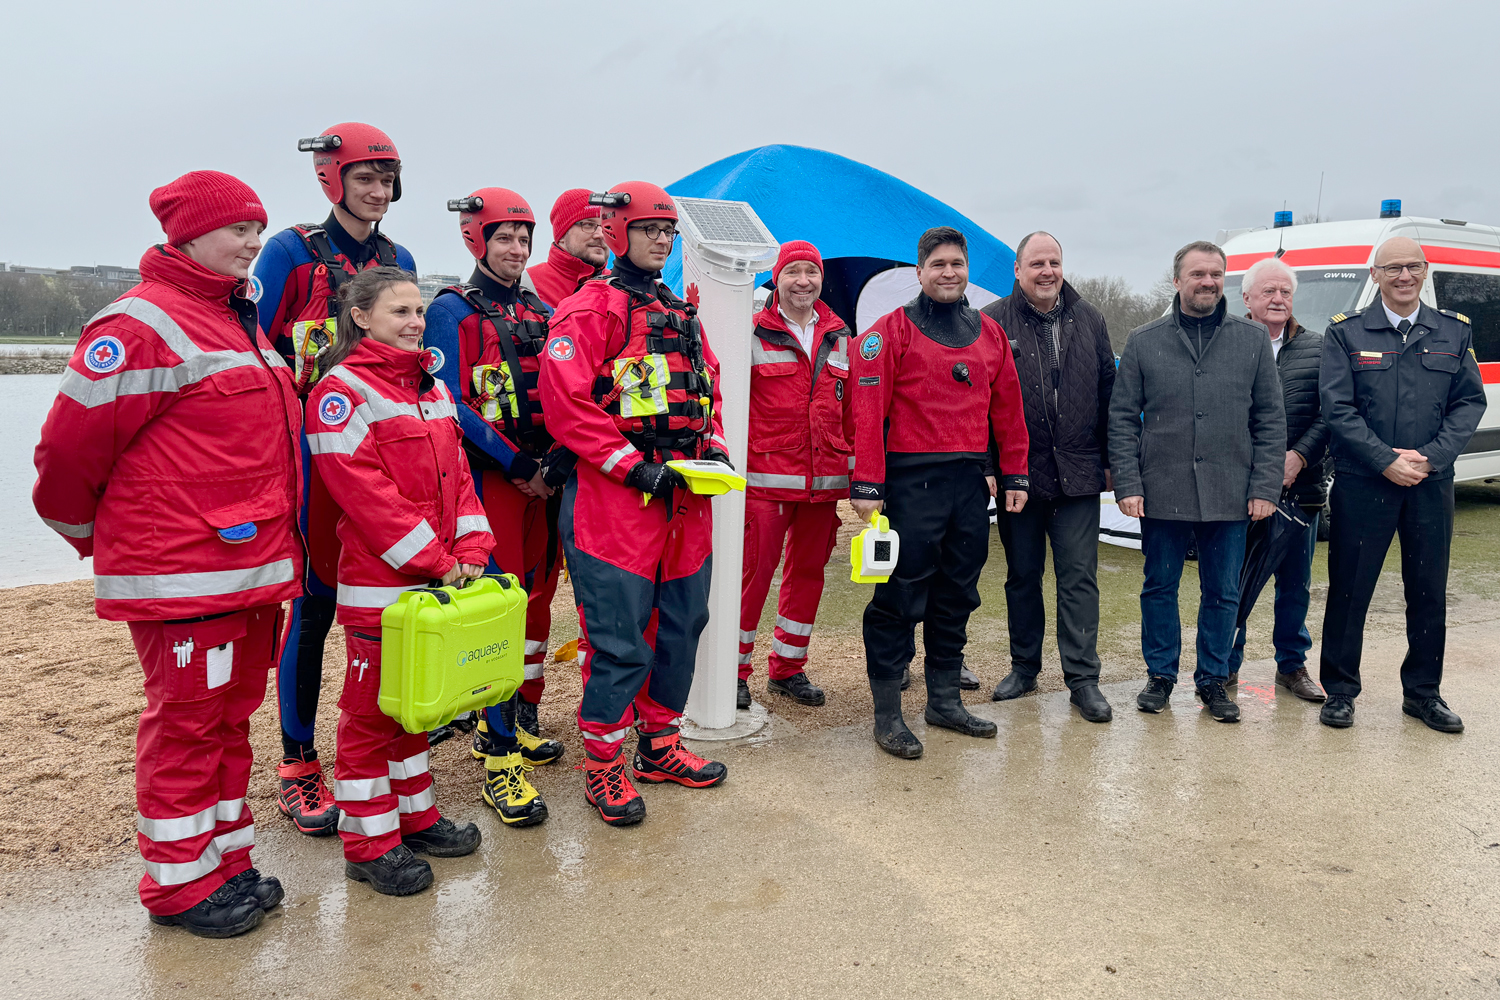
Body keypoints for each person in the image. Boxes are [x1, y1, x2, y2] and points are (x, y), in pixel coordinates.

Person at [34, 171, 301, 937]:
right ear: (188, 236)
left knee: (229, 722)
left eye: (258, 229)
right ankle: (179, 886)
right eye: (238, 230)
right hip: (182, 574)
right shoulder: (139, 323)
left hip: (247, 571)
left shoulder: (235, 317)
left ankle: (224, 862)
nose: (253, 243)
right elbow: (66, 459)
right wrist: (102, 540)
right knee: (187, 727)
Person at [539, 182, 730, 826]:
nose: (661, 240)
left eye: (668, 230)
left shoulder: (679, 310)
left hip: (683, 496)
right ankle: (603, 764)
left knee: (682, 622)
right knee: (619, 636)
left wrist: (715, 449)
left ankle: (659, 744)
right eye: (651, 228)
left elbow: (708, 388)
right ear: (616, 230)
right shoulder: (588, 309)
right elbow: (568, 405)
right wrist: (634, 467)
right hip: (614, 500)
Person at [252, 122, 417, 838]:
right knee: (314, 604)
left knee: (385, 609)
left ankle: (384, 748)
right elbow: (255, 351)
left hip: (383, 458)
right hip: (310, 462)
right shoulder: (290, 253)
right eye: (366, 178)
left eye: (387, 180)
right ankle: (297, 764)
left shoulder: (399, 259)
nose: (378, 191)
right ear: (333, 178)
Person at [304, 266, 488, 895]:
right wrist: (438, 559)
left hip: (433, 583)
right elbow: (366, 497)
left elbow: (459, 479)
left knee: (415, 709)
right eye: (400, 312)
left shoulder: (430, 388)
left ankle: (415, 818)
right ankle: (369, 845)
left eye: (419, 311)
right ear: (361, 318)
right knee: (369, 717)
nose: (416, 323)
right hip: (378, 588)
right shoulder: (340, 392)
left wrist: (473, 544)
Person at [849, 226, 1029, 759]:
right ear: (920, 271)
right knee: (899, 596)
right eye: (938, 264)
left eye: (957, 263)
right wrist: (868, 483)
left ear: (966, 269)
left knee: (957, 593)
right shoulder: (891, 331)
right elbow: (867, 412)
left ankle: (944, 701)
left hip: (968, 483)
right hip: (910, 483)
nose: (949, 272)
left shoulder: (990, 334)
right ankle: (888, 715)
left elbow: (1009, 409)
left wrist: (1015, 474)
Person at [425, 188, 567, 828]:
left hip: (544, 482)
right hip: (493, 483)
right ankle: (499, 759)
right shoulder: (450, 311)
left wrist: (553, 465)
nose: (517, 249)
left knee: (536, 604)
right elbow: (449, 401)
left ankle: (513, 722)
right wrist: (518, 466)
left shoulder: (541, 310)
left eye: (524, 239)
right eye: (505, 238)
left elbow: (567, 392)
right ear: (474, 240)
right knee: (497, 613)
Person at [1108, 241, 1285, 723]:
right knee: (1158, 587)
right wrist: (1128, 483)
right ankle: (1160, 676)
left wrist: (1265, 488)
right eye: (1198, 274)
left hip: (1232, 491)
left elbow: (1270, 420)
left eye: (1216, 274)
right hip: (1161, 490)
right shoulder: (1143, 340)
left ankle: (1213, 679)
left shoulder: (1252, 339)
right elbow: (1122, 419)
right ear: (1177, 281)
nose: (1208, 282)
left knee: (1223, 592)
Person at [1317, 237, 1486, 731]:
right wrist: (1384, 459)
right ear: (1375, 275)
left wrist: (1432, 458)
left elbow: (1468, 404)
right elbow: (1337, 408)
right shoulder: (1345, 333)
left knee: (1429, 591)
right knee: (1350, 590)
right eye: (1393, 268)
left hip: (1430, 484)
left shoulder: (1454, 331)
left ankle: (1423, 694)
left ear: (1426, 270)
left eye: (1413, 266)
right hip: (1363, 482)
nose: (1404, 276)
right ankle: (1340, 691)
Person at [981, 232, 1116, 722]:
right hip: (1019, 474)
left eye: (1054, 262)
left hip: (1078, 473)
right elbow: (980, 401)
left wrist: (1112, 462)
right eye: (1036, 263)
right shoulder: (992, 321)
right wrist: (990, 465)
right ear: (1017, 270)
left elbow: (1109, 393)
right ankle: (1024, 667)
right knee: (1023, 576)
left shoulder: (1090, 318)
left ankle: (1083, 680)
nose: (1047, 271)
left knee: (1079, 577)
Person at [737, 240, 854, 710]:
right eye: (793, 272)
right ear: (776, 278)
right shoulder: (750, 331)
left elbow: (850, 415)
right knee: (752, 578)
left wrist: (856, 476)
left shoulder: (840, 336)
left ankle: (787, 668)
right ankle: (733, 672)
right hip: (765, 483)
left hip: (823, 486)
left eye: (811, 272)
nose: (803, 281)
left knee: (807, 576)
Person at [1224, 258, 1329, 701]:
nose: (1278, 299)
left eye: (1285, 291)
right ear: (1246, 297)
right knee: (1234, 581)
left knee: (1295, 584)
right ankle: (1226, 663)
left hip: (1300, 490)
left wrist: (1299, 456)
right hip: (1238, 489)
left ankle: (1292, 664)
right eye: (1268, 291)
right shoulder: (1225, 343)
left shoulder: (1320, 347)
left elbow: (1332, 413)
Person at [526, 188, 609, 308]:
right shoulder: (527, 284)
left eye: (606, 226)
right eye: (588, 225)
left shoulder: (621, 285)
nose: (600, 235)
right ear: (562, 234)